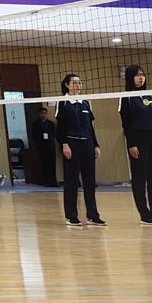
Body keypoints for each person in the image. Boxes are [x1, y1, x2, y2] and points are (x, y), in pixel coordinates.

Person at [119, 64, 152, 226]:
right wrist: (131, 144)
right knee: (140, 177)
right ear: (130, 78)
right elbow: (126, 123)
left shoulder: (150, 95)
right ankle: (144, 212)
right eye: (137, 75)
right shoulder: (126, 97)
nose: (141, 77)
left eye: (142, 74)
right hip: (138, 139)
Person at [56, 73, 104, 228]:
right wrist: (64, 144)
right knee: (71, 181)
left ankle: (93, 216)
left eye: (80, 83)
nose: (78, 85)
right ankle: (72, 217)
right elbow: (60, 127)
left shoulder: (85, 102)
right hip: (72, 143)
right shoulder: (63, 102)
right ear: (67, 85)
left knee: (90, 181)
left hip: (87, 143)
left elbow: (91, 126)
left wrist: (95, 144)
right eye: (74, 83)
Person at [31, 106, 59, 186]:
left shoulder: (51, 124)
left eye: (45, 113)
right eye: (42, 113)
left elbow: (54, 134)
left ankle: (53, 181)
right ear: (39, 114)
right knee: (43, 164)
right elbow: (34, 135)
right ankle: (45, 181)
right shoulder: (35, 124)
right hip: (41, 147)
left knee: (52, 164)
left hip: (50, 146)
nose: (43, 115)